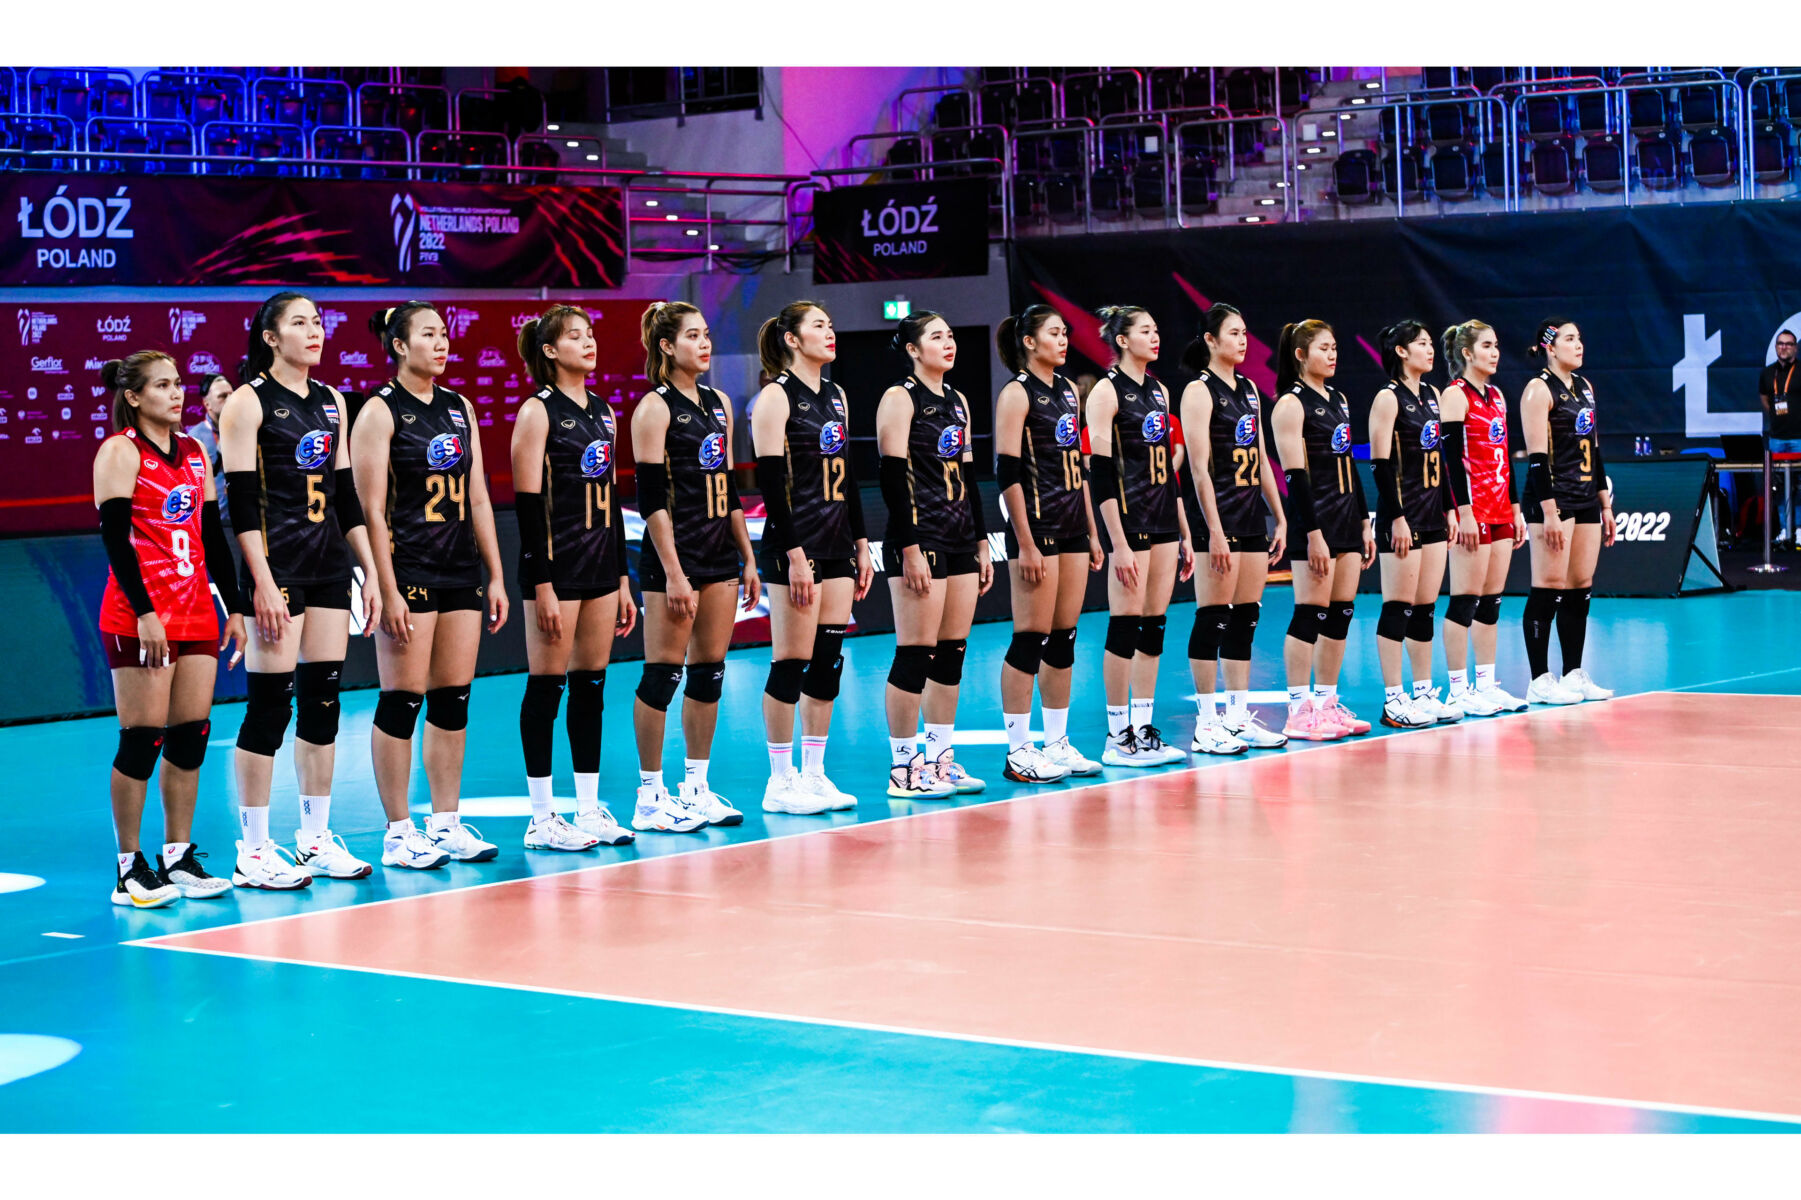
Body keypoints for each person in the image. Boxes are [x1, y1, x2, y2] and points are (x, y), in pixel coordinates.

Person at [220, 292, 384, 888]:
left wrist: (370, 572)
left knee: (323, 703)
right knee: (269, 707)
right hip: (277, 570)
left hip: (328, 569)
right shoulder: (248, 401)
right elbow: (240, 504)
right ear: (270, 337)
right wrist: (261, 583)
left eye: (317, 321)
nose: (314, 331)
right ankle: (253, 848)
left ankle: (314, 838)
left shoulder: (333, 401)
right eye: (299, 323)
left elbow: (346, 498)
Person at [351, 302, 510, 868]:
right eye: (428, 335)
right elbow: (370, 509)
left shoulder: (460, 406)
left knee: (452, 699)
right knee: (401, 700)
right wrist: (386, 585)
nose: (441, 343)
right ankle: (398, 833)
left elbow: (479, 497)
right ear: (399, 345)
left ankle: (446, 823)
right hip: (409, 569)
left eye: (444, 334)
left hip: (460, 570)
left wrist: (495, 574)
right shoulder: (379, 410)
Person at [94, 351, 248, 906]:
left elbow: (212, 539)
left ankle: (177, 857)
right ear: (134, 397)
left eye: (178, 383)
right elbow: (115, 541)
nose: (177, 393)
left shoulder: (196, 452)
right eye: (162, 385)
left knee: (190, 735)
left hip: (195, 610)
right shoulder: (120, 451)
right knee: (142, 739)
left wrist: (235, 609)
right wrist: (145, 614)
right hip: (140, 616)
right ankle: (128, 868)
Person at [510, 304, 638, 850]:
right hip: (555, 569)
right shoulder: (537, 411)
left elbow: (611, 500)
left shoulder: (604, 411)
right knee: (547, 687)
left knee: (591, 687)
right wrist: (541, 585)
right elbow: (527, 505)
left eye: (590, 335)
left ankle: (588, 809)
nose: (588, 343)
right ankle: (542, 818)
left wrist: (623, 577)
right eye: (575, 337)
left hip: (601, 567)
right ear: (550, 350)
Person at [630, 301, 758, 830]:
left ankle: (696, 788)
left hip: (719, 555)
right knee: (663, 674)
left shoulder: (719, 402)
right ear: (666, 346)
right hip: (674, 561)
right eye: (692, 336)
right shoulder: (653, 408)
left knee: (709, 674)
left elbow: (728, 489)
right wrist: (674, 572)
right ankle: (649, 797)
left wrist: (747, 556)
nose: (704, 344)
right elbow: (651, 500)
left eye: (706, 335)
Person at [751, 301, 873, 814]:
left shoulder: (837, 395)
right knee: (791, 661)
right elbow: (770, 483)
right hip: (795, 546)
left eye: (831, 324)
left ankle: (815, 773)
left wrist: (861, 543)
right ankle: (779, 782)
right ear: (792, 339)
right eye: (818, 325)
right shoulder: (775, 396)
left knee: (827, 661)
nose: (830, 331)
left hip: (837, 542)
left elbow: (848, 475)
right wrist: (795, 553)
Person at [877, 310, 994, 797]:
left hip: (960, 536)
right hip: (919, 537)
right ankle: (904, 767)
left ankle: (941, 760)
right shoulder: (899, 398)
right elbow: (890, 478)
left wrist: (982, 540)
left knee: (951, 653)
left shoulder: (958, 400)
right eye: (936, 337)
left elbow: (968, 476)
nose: (948, 343)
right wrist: (909, 547)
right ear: (912, 349)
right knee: (915, 653)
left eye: (950, 335)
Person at [994, 304, 1104, 782]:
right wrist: (1025, 541)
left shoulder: (1068, 391)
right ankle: (1018, 750)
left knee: (1064, 638)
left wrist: (1092, 532)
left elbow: (1077, 467)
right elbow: (1006, 473)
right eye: (1054, 333)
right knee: (1029, 639)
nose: (1063, 341)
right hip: (1036, 531)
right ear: (1029, 341)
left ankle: (1056, 742)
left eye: (1065, 333)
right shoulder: (1016, 393)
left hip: (1073, 528)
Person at [1084, 305, 1193, 767]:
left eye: (1156, 329)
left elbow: (1168, 470)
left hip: (1164, 519)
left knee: (1154, 625)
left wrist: (1184, 532)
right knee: (1125, 624)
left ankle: (1144, 728)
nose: (1155, 336)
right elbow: (1101, 473)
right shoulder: (1105, 392)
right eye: (1145, 330)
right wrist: (1119, 544)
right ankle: (1117, 735)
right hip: (1130, 523)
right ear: (1122, 340)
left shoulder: (1161, 391)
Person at [1181, 303, 1289, 753]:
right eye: (1233, 333)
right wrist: (1213, 529)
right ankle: (1206, 724)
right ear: (1210, 340)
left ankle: (1237, 717)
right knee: (1213, 616)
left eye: (1245, 332)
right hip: (1217, 520)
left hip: (1249, 518)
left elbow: (1261, 457)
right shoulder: (1198, 391)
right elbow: (1198, 468)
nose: (1243, 340)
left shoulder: (1248, 390)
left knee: (1245, 616)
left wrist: (1279, 515)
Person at [1268, 320, 1374, 740]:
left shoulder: (1339, 399)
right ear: (1300, 355)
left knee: (1340, 614)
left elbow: (1348, 464)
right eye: (1323, 348)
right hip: (1316, 523)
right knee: (1310, 613)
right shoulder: (1290, 404)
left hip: (1347, 520)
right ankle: (1298, 710)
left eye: (1334, 348)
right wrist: (1312, 534)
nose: (1332, 355)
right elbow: (1295, 477)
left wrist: (1364, 522)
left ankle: (1327, 704)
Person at [1368, 320, 1462, 729]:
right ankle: (1393, 700)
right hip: (1402, 517)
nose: (1430, 350)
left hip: (1432, 514)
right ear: (1401, 351)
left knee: (1424, 608)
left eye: (1429, 343)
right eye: (1421, 343)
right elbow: (1380, 464)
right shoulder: (1387, 398)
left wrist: (1450, 509)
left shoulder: (1433, 395)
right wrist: (1397, 518)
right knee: (1398, 607)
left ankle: (1423, 691)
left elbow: (1440, 459)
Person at [1519, 318, 1616, 704]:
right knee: (1549, 586)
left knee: (1580, 586)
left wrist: (1605, 503)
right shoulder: (1538, 390)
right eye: (1570, 339)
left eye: (1579, 338)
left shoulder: (1585, 387)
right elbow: (1537, 458)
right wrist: (1549, 512)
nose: (1579, 345)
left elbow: (1596, 448)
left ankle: (1573, 673)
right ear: (1550, 346)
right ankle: (1539, 679)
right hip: (1553, 499)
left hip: (1586, 496)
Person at [1438, 320, 1528, 717]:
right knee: (1465, 600)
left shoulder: (1497, 396)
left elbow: (1504, 454)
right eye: (1487, 346)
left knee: (1491, 603)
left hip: (1500, 509)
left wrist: (1515, 508)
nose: (1495, 353)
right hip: (1472, 511)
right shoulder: (1455, 395)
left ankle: (1487, 686)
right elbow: (1450, 461)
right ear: (1467, 353)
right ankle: (1458, 690)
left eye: (1496, 345)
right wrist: (1464, 512)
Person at [1759, 329, 1801, 543]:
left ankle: (1800, 529)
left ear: (1795, 347)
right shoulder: (1768, 373)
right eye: (1780, 344)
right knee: (1779, 487)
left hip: (1799, 437)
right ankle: (1785, 529)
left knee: (1800, 485)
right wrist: (1778, 417)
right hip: (1777, 437)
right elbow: (1765, 399)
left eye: (1788, 344)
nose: (1784, 347)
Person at [185, 372, 233, 516]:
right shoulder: (195, 437)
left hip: (246, 519)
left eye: (231, 394)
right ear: (207, 404)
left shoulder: (247, 430)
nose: (230, 400)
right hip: (214, 519)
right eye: (223, 396)